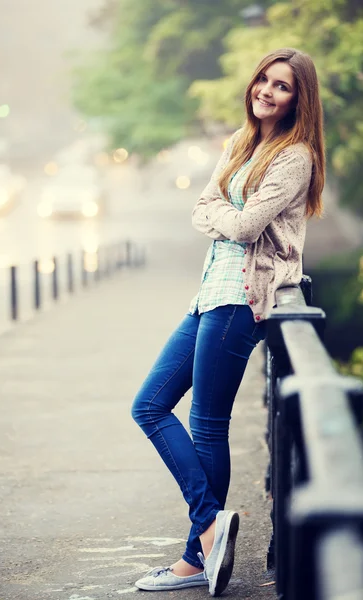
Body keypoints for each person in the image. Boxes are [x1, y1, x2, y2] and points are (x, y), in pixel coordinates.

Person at [131, 47, 325, 597]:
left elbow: (242, 227)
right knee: (148, 404)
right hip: (208, 295)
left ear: (299, 98)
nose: (266, 90)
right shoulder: (243, 143)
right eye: (263, 78)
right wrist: (220, 216)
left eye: (282, 85)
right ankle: (212, 526)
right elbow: (204, 207)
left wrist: (218, 216)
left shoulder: (295, 157)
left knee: (207, 422)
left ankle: (199, 551)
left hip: (243, 299)